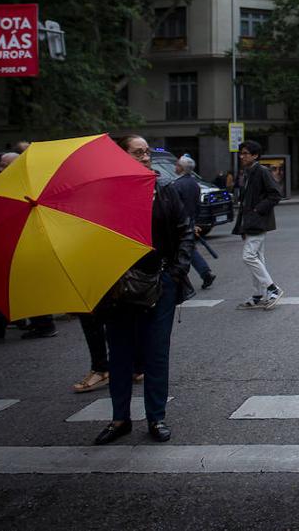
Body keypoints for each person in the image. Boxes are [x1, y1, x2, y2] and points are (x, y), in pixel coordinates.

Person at [93, 134, 194, 446]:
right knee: (120, 354)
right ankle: (120, 419)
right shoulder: (105, 195)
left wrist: (176, 272)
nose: (146, 158)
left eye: (147, 152)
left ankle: (156, 417)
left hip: (158, 283)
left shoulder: (164, 189)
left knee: (155, 353)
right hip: (116, 287)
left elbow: (185, 231)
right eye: (138, 152)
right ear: (120, 156)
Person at [0, 152, 58, 341]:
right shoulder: (0, 188)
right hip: (12, 242)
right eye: (1, 165)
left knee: (16, 284)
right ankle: (40, 324)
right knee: (18, 285)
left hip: (29, 244)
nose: (2, 170)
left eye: (7, 166)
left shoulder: (30, 187)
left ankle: (3, 328)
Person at [232, 140, 284, 309]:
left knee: (249, 256)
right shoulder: (248, 172)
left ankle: (273, 289)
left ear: (255, 155)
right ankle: (257, 294)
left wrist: (257, 210)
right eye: (241, 153)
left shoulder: (261, 171)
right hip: (252, 221)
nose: (242, 156)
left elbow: (275, 195)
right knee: (257, 258)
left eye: (246, 153)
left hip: (258, 220)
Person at [173, 155, 216, 290]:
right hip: (190, 220)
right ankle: (204, 273)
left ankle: (183, 280)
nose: (175, 167)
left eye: (177, 165)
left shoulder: (176, 185)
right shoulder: (194, 184)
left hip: (178, 222)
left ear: (181, 168)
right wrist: (194, 221)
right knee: (189, 248)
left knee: (182, 251)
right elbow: (197, 205)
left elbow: (174, 206)